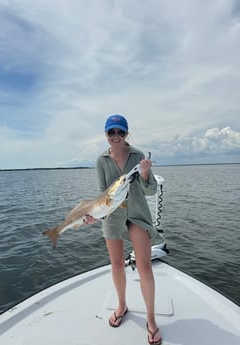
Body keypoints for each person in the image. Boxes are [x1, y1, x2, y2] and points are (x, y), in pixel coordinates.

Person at [86, 114, 162, 345]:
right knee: (117, 265)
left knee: (144, 267)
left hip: (137, 215)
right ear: (106, 135)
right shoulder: (101, 160)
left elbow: (150, 192)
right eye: (112, 132)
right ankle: (122, 305)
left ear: (126, 134)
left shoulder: (138, 156)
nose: (116, 136)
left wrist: (147, 174)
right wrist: (94, 215)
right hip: (111, 217)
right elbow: (103, 194)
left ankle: (150, 319)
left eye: (121, 132)